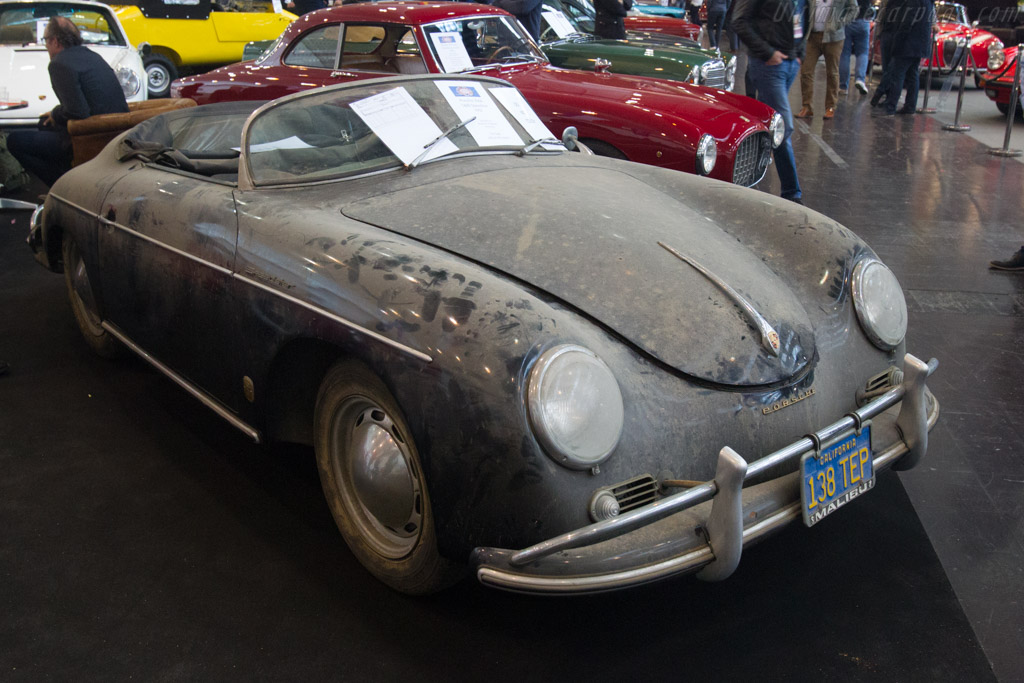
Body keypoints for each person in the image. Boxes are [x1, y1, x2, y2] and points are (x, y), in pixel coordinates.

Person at [6, 17, 128, 187]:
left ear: (55, 41)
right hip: (115, 136)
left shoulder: (59, 64)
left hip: (90, 140)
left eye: (46, 41)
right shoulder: (92, 56)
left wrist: (56, 114)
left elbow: (78, 112)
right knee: (44, 124)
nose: (46, 46)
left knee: (14, 141)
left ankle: (63, 186)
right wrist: (55, 114)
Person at [732, 0, 807, 203]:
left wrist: (799, 53)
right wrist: (768, 53)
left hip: (789, 62)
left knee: (770, 125)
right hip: (769, 65)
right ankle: (792, 194)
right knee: (783, 127)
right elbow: (739, 21)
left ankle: (748, 171)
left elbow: (801, 17)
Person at [794, 0, 857, 120]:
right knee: (806, 71)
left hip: (834, 37)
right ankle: (806, 107)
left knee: (832, 72)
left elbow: (854, 9)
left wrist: (840, 22)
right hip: (812, 36)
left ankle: (830, 107)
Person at [870, 0, 932, 116]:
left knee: (897, 74)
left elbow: (907, 21)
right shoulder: (928, 2)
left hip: (907, 43)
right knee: (912, 75)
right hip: (919, 43)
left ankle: (890, 107)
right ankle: (910, 106)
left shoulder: (913, 2)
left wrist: (898, 39)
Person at [838, 0, 872, 94]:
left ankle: (843, 86)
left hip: (847, 20)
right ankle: (860, 79)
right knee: (863, 53)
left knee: (844, 54)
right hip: (864, 20)